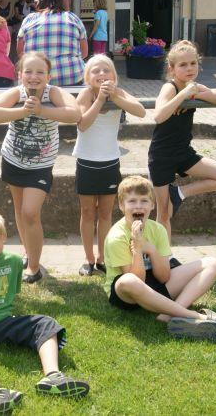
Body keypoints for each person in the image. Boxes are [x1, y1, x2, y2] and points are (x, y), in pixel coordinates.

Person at [0, 208, 89, 416]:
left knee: (45, 323)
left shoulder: (13, 262)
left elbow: (10, 298)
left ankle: (53, 376)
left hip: (2, 320)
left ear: (4, 237)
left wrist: (15, 325)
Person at [0, 52, 81, 283]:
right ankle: (28, 253)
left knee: (30, 212)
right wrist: (23, 111)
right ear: (20, 74)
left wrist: (41, 110)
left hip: (41, 165)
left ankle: (34, 268)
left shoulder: (54, 93)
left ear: (48, 76)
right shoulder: (16, 93)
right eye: (28, 71)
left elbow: (75, 113)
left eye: (40, 72)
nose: (34, 76)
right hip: (13, 160)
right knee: (20, 211)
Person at [103, 176, 216, 341]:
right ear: (121, 206)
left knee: (213, 263)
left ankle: (168, 315)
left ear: (152, 205)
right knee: (128, 281)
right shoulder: (117, 237)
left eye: (144, 201)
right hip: (128, 295)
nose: (138, 206)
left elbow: (164, 277)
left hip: (155, 283)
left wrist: (152, 250)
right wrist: (137, 249)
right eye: (132, 201)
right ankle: (193, 316)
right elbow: (138, 280)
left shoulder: (158, 230)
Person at [150, 40, 216, 251]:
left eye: (193, 63)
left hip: (184, 154)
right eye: (183, 65)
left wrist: (194, 94)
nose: (189, 68)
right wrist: (182, 96)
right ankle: (163, 257)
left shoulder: (193, 86)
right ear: (171, 69)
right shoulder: (169, 87)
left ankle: (180, 193)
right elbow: (159, 115)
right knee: (163, 214)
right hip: (162, 156)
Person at [74, 55, 146, 276]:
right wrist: (99, 100)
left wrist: (114, 96)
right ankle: (88, 259)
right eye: (95, 71)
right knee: (87, 212)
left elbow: (141, 111)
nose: (101, 74)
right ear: (88, 77)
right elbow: (82, 124)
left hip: (110, 162)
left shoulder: (118, 93)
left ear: (114, 75)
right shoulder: (85, 94)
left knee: (106, 213)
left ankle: (102, 258)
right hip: (86, 162)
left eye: (106, 70)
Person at [17, 0, 88, 86]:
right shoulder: (73, 18)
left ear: (40, 2)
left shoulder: (29, 19)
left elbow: (21, 53)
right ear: (60, 1)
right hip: (72, 77)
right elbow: (84, 53)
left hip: (37, 80)